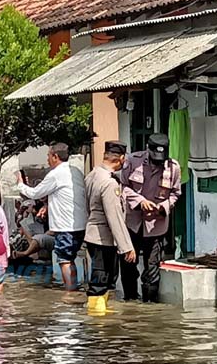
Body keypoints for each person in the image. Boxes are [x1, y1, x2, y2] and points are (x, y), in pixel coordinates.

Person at [120, 133, 182, 303]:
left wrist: (164, 206)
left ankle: (150, 305)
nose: (158, 162)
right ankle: (130, 303)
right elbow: (123, 186)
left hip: (156, 225)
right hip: (132, 223)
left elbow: (176, 194)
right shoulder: (133, 161)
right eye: (155, 158)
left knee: (152, 267)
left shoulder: (174, 167)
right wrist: (140, 201)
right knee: (128, 266)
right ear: (148, 149)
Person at [16, 142, 87, 291]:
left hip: (65, 225)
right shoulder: (76, 171)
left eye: (48, 156)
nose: (47, 159)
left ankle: (70, 291)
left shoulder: (56, 174)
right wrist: (48, 206)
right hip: (80, 224)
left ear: (55, 156)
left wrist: (21, 184)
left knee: (64, 259)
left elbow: (35, 193)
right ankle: (73, 288)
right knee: (69, 257)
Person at [85, 141, 137, 313]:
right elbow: (114, 217)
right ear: (121, 159)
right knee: (102, 279)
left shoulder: (92, 175)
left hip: (93, 234)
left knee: (102, 277)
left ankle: (100, 313)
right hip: (103, 238)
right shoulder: (110, 183)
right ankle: (98, 321)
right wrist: (127, 247)